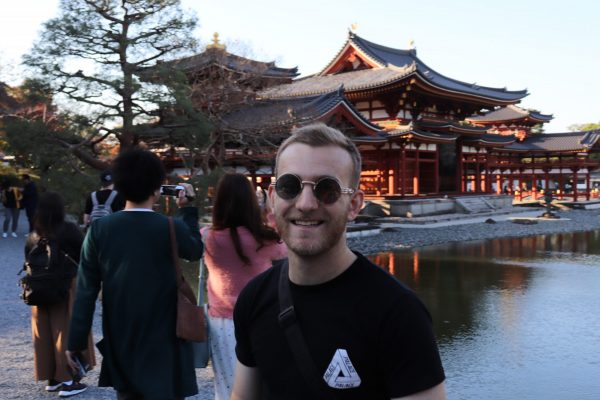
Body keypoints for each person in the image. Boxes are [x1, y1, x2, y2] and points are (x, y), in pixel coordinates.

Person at [231, 123, 446, 400]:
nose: (306, 203)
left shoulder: (398, 313)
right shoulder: (254, 298)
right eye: (289, 186)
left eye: (327, 189)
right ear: (273, 199)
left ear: (354, 204)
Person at [66, 149, 203, 400]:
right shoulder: (171, 226)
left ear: (119, 186)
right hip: (167, 336)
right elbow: (195, 250)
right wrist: (188, 209)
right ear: (157, 188)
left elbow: (86, 290)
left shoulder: (99, 229)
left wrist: (75, 342)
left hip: (122, 334)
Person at [201, 173, 287, 400]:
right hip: (260, 317)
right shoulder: (264, 239)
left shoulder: (207, 237)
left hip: (221, 321)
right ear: (250, 201)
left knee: (227, 382)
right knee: (262, 382)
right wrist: (271, 212)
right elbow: (285, 248)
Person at [25, 192, 96, 397]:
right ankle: (69, 380)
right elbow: (85, 255)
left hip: (38, 290)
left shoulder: (34, 234)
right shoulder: (69, 230)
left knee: (44, 332)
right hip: (65, 287)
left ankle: (52, 377)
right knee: (65, 331)